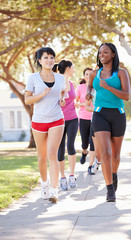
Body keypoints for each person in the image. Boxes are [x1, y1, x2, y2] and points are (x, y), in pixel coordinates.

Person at [86, 43, 130, 202]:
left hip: (118, 114)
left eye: (105, 52)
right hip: (100, 114)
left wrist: (107, 86)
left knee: (115, 155)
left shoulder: (121, 73)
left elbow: (126, 96)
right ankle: (110, 189)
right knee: (105, 153)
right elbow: (90, 87)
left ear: (113, 54)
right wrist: (88, 94)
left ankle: (114, 174)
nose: (101, 55)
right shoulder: (94, 73)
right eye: (99, 52)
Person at [25, 47, 66, 203]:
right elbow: (28, 100)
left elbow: (63, 94)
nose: (50, 60)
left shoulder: (61, 78)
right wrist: (41, 94)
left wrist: (62, 100)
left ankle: (54, 191)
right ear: (40, 60)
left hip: (56, 118)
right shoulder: (33, 78)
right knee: (42, 157)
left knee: (52, 154)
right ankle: (44, 184)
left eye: (52, 57)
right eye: (46, 57)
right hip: (39, 121)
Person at [53, 60, 78, 190]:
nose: (74, 70)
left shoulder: (73, 84)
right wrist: (60, 102)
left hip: (73, 118)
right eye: (72, 68)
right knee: (61, 149)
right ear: (68, 68)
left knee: (71, 145)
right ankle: (62, 177)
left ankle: (72, 175)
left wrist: (76, 104)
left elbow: (72, 100)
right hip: (59, 120)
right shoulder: (57, 83)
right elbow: (53, 101)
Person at [75, 68, 96, 175]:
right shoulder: (80, 87)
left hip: (95, 117)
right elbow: (76, 100)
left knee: (93, 143)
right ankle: (84, 152)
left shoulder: (96, 87)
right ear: (84, 76)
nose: (88, 76)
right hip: (83, 117)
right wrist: (77, 103)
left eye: (90, 74)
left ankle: (90, 166)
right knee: (84, 143)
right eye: (86, 74)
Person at [85, 92, 101, 174]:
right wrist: (97, 108)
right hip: (95, 120)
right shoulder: (92, 91)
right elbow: (87, 106)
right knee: (93, 145)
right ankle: (90, 166)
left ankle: (99, 163)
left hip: (109, 121)